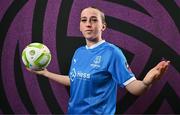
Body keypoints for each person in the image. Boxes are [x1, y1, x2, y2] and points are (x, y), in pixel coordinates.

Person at [27, 6, 170, 114]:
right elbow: (74, 80)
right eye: (84, 20)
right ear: (80, 26)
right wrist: (45, 73)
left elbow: (134, 88)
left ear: (103, 26)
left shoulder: (112, 53)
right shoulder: (79, 52)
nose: (88, 23)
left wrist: (146, 82)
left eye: (94, 20)